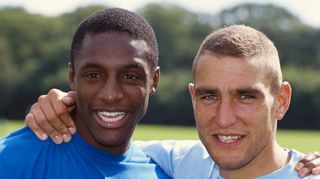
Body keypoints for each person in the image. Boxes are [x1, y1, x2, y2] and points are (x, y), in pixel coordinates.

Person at [26, 24, 320, 178]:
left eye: (245, 96)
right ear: (193, 97)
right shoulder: (185, 163)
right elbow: (111, 147)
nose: (224, 117)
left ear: (281, 100)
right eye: (209, 95)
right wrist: (61, 110)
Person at [0, 8, 171, 179]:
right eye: (93, 75)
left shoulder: (161, 174)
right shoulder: (11, 161)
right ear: (72, 77)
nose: (110, 95)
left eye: (130, 76)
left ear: (153, 81)